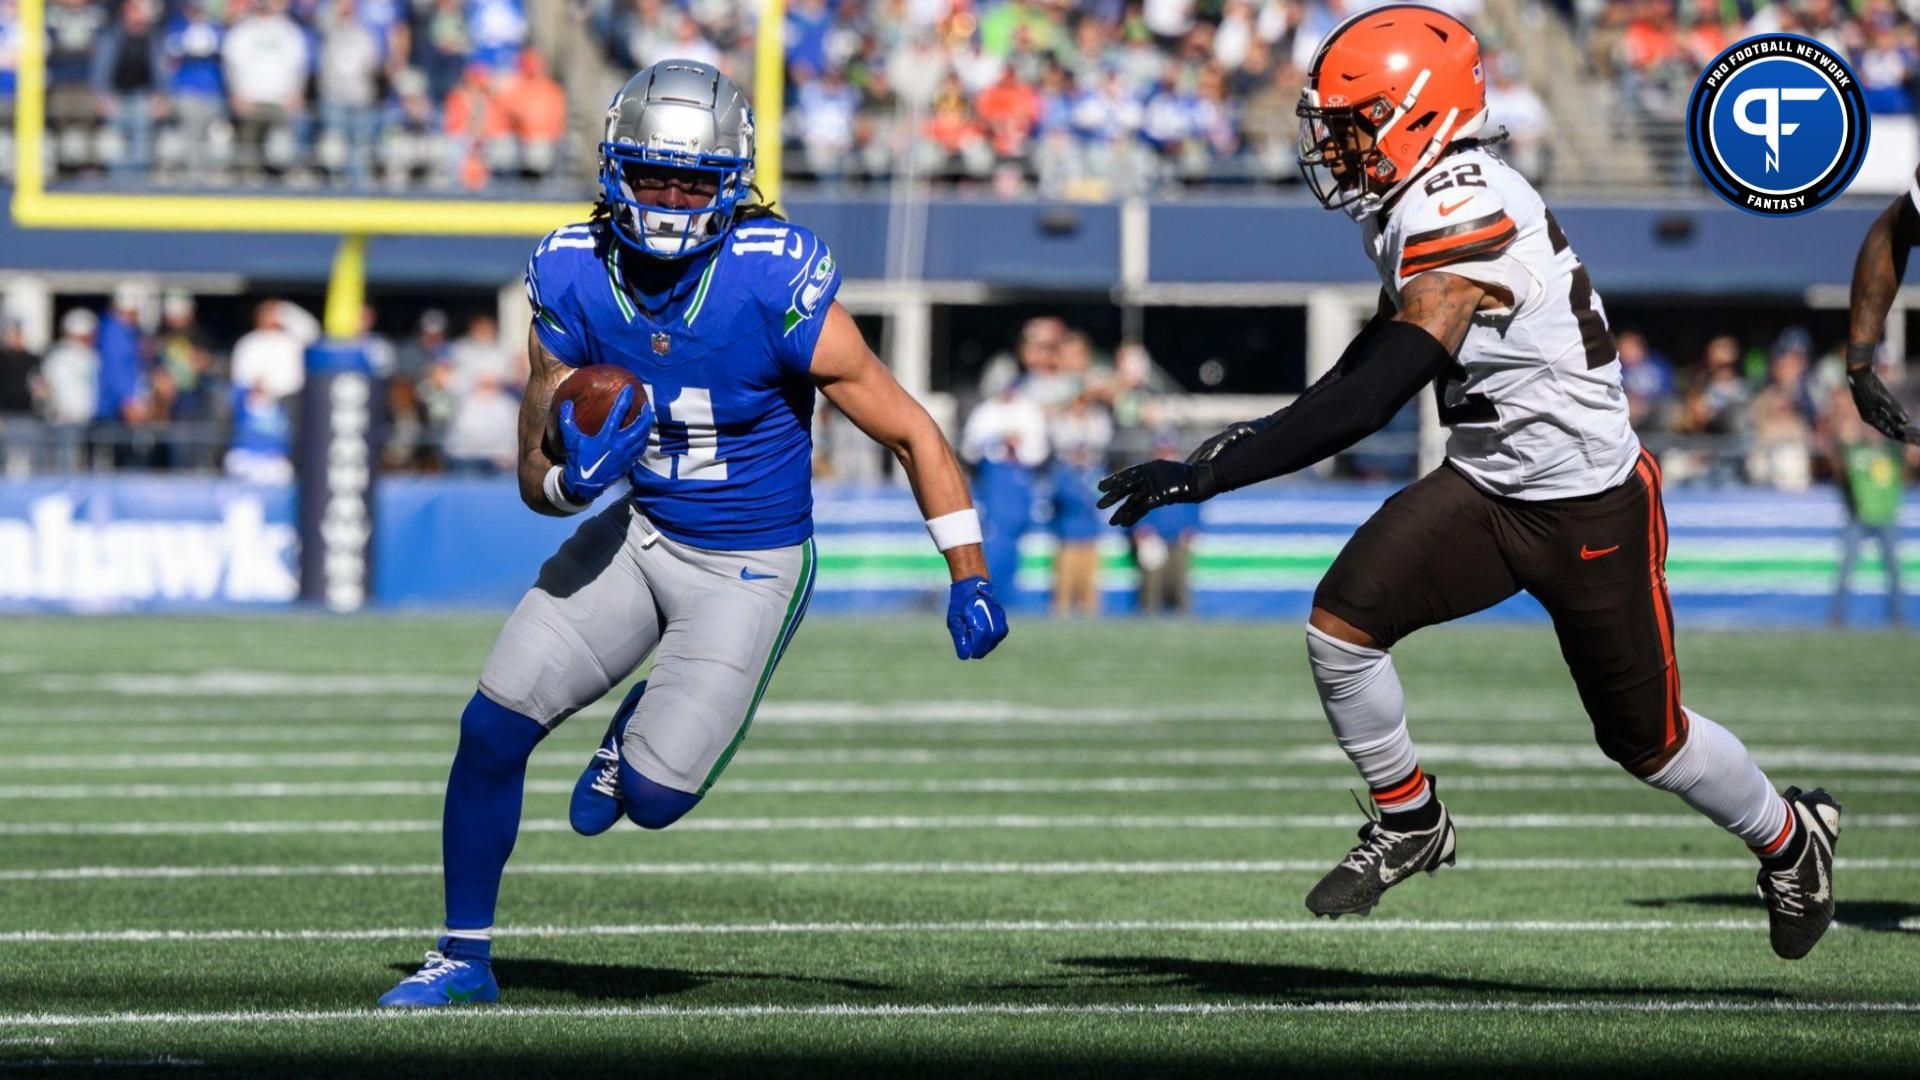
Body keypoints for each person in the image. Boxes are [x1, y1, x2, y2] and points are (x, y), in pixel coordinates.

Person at [1097, 6, 1840, 962]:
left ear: (1415, 113)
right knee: (1342, 628)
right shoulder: (1409, 203)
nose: (1337, 147)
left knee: (1647, 743)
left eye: (1354, 124)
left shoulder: (1463, 198)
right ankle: (1411, 820)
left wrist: (1214, 470)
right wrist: (1224, 446)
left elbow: (1376, 393)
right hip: (1488, 487)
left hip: (1585, 504)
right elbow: (1369, 355)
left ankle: (1790, 838)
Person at [378, 60, 1008, 1009]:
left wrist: (967, 571)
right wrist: (569, 479)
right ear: (612, 172)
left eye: (692, 181)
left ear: (732, 185)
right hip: (640, 532)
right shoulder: (571, 273)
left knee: (655, 800)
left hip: (748, 564)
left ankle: (630, 739)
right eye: (652, 176)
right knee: (488, 729)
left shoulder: (772, 280)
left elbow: (912, 429)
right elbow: (530, 477)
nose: (670, 199)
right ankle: (463, 954)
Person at [1825, 382, 1906, 628]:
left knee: (1893, 572)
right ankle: (1837, 616)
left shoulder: (1893, 451)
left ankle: (1897, 617)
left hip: (1885, 516)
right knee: (1847, 570)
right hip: (1860, 516)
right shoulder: (1854, 449)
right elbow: (1836, 452)